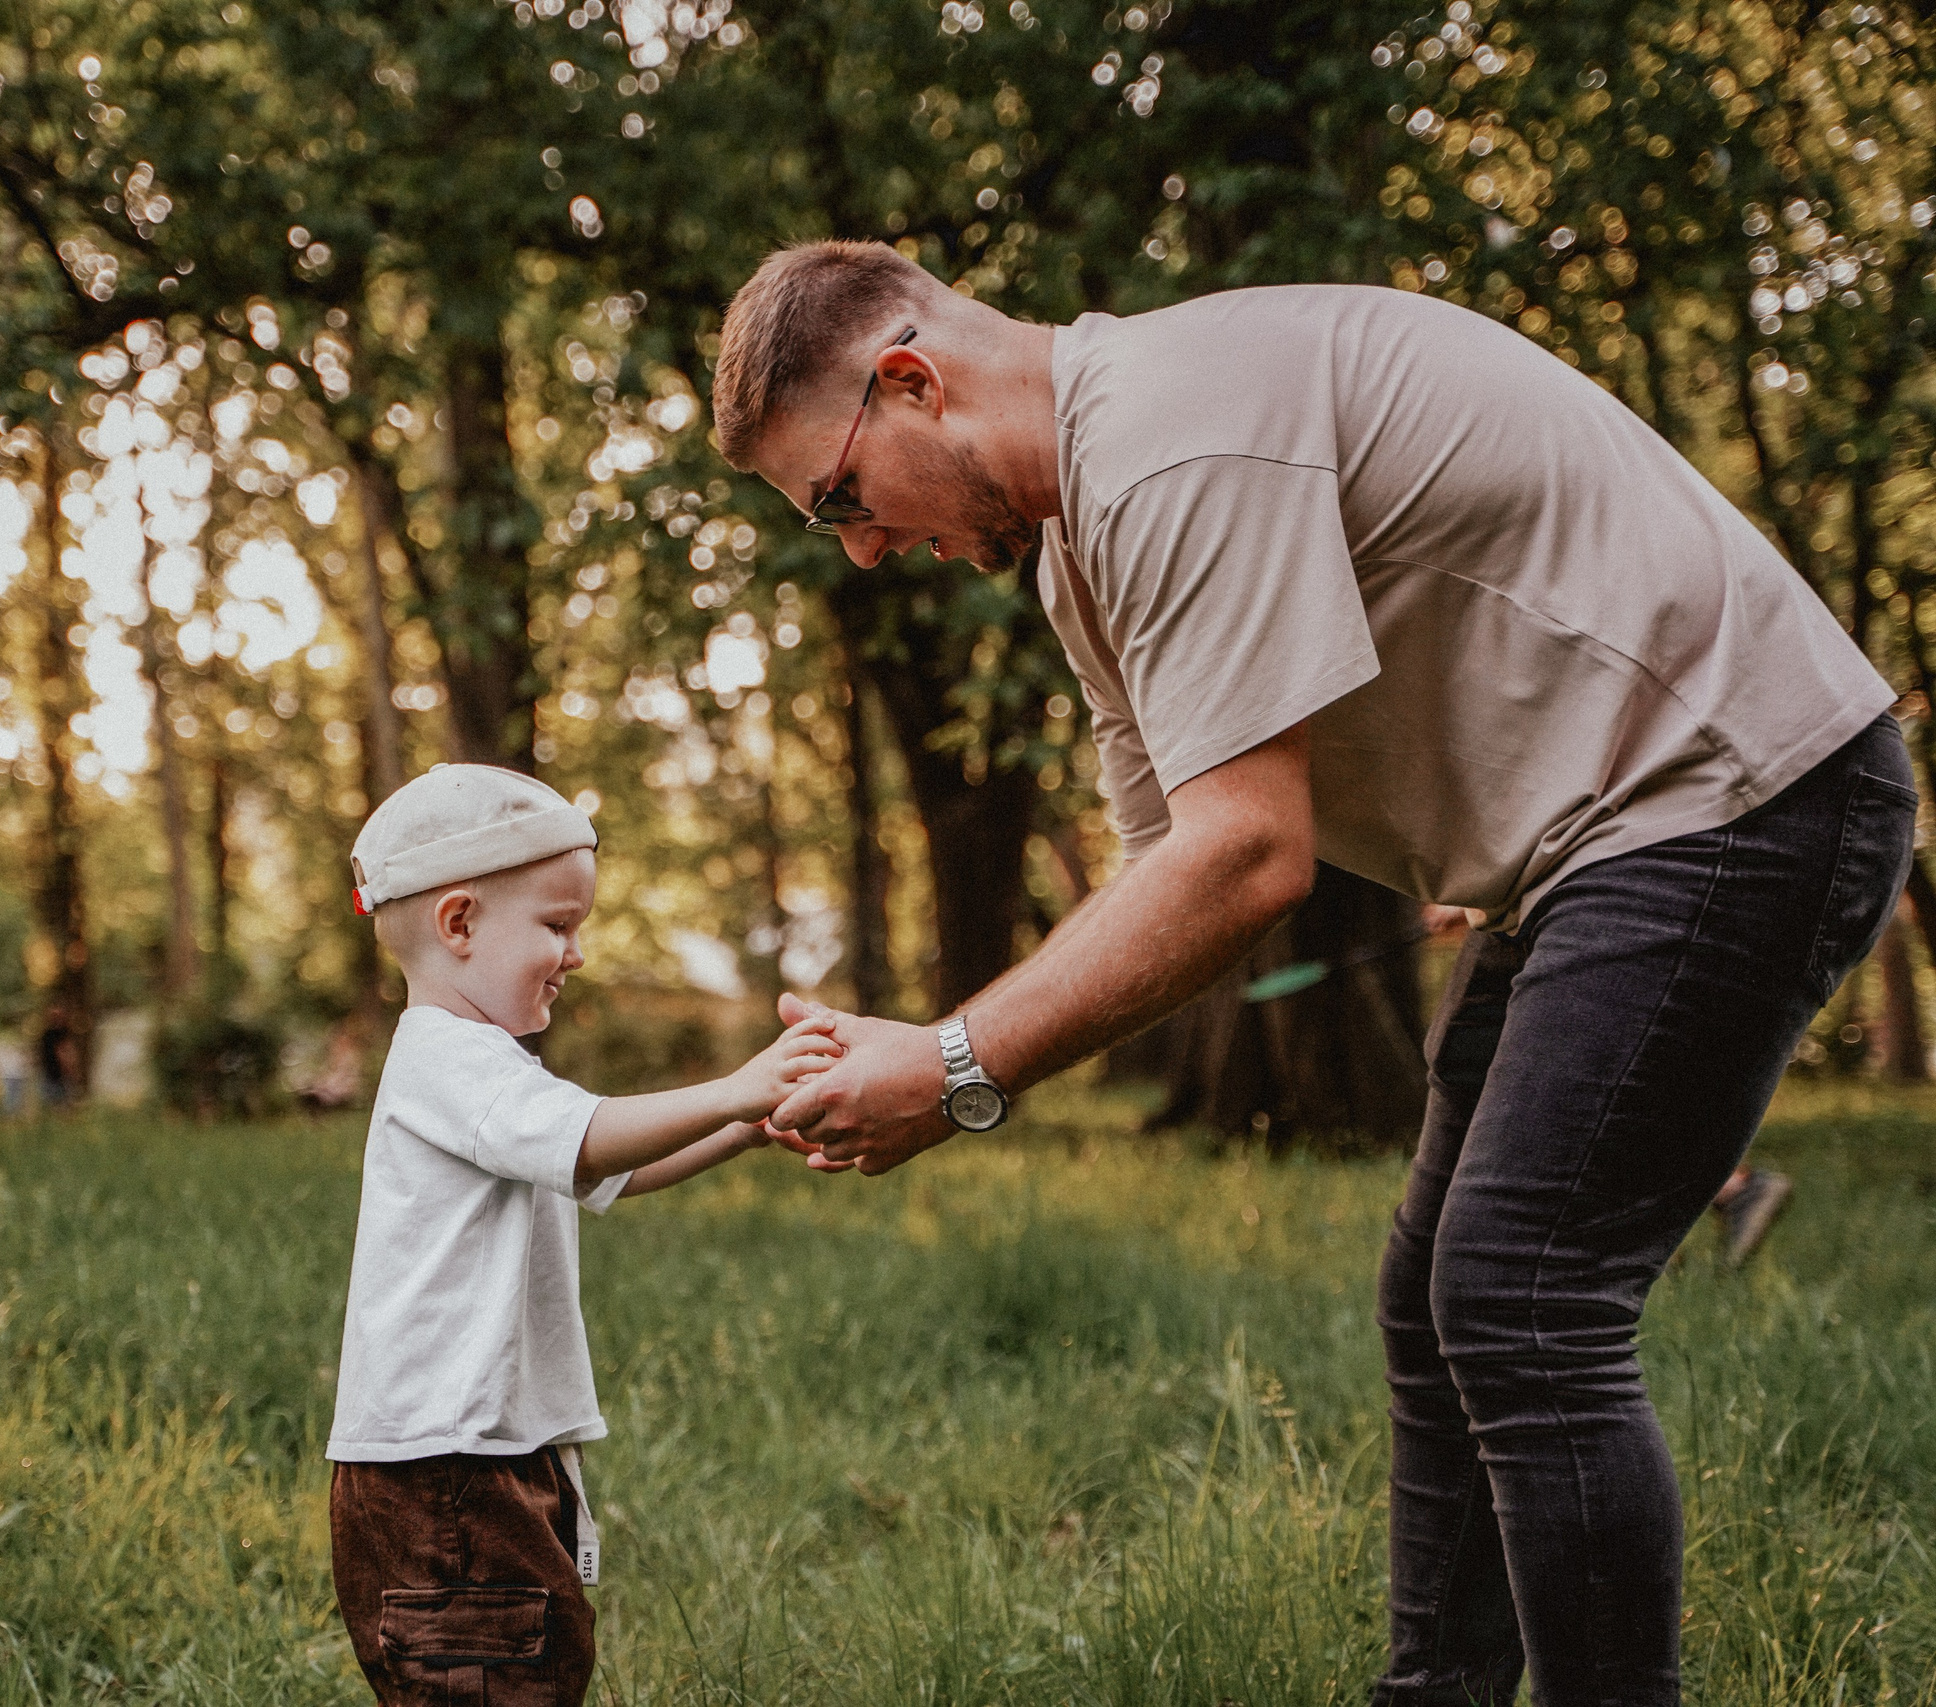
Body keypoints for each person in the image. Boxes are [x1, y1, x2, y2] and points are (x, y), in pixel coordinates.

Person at [712, 241, 1912, 1707]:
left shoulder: (1167, 441)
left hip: (1735, 792)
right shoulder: (1090, 541)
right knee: (1438, 1295)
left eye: (839, 495)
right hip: (1594, 843)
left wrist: (956, 1063)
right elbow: (1173, 871)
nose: (858, 546)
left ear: (911, 380)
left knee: (1520, 1293)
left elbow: (1247, 855)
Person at [326, 763, 841, 1707]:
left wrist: (745, 1126)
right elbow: (594, 1136)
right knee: (500, 1681)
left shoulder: (484, 1068)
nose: (577, 953)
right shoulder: (449, 1057)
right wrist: (741, 1084)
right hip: (449, 1474)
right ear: (459, 923)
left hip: (479, 1455)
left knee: (536, 1670)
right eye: (558, 926)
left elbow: (606, 1165)